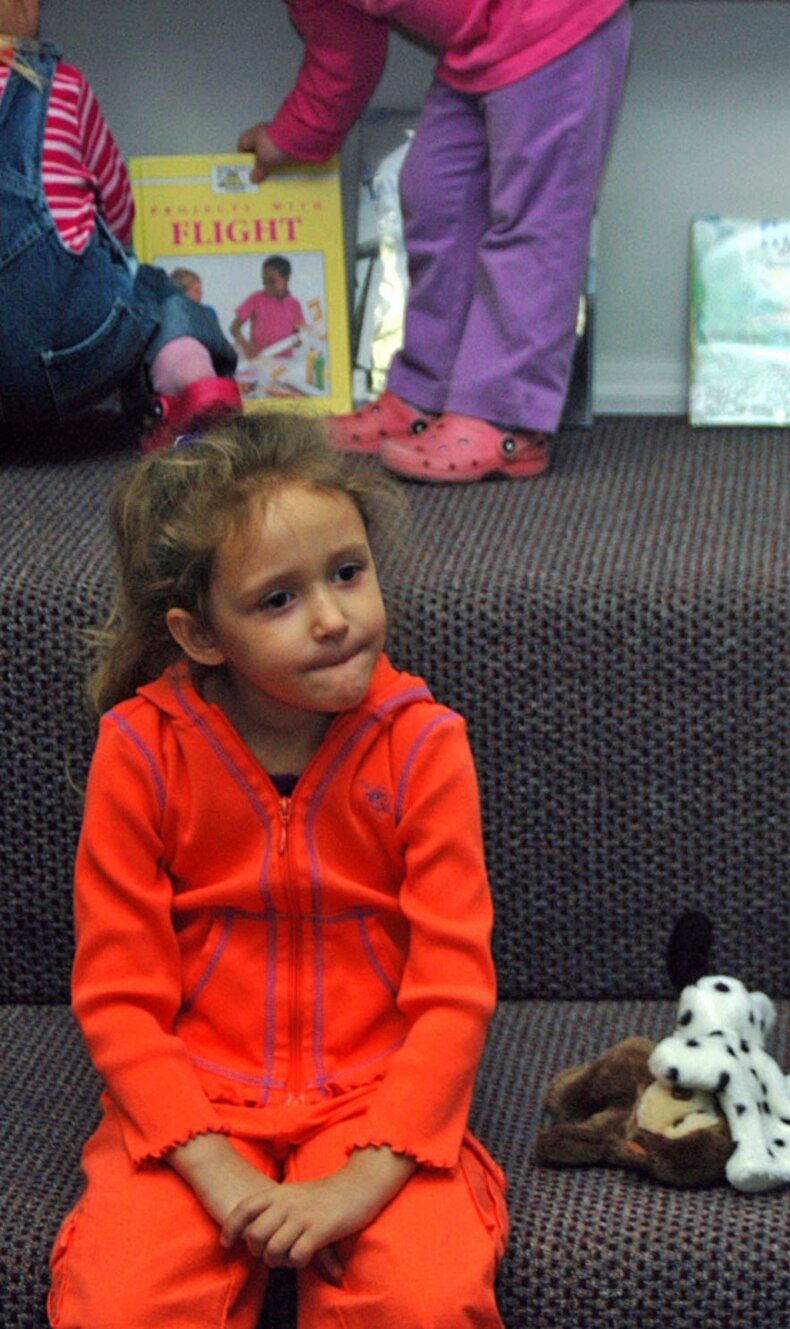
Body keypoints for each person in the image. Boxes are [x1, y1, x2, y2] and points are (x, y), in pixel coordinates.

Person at [48, 416, 508, 1326]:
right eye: (278, 599)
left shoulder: (425, 745)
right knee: (123, 1299)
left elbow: (454, 990)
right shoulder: (140, 750)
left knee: (422, 1296)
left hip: (380, 1099)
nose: (333, 617)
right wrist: (215, 1170)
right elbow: (119, 995)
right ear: (200, 634)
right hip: (194, 1104)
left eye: (348, 572)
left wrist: (364, 1178)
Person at [237, 0, 631, 483]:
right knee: (435, 195)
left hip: (553, 20)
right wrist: (291, 137)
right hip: (478, 45)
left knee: (535, 219)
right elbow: (344, 46)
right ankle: (428, 395)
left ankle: (507, 419)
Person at [0, 0, 240, 452]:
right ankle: (189, 376)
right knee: (150, 285)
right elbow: (118, 212)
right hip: (74, 354)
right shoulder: (63, 86)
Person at [229, 254, 309, 359]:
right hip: (259, 359)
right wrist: (245, 344)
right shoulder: (255, 299)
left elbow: (298, 336)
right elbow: (234, 328)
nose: (267, 286)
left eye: (272, 281)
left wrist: (298, 341)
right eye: (264, 280)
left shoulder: (294, 305)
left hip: (284, 361)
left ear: (286, 279)